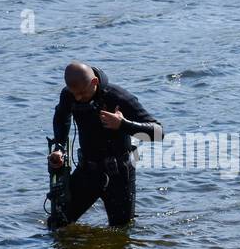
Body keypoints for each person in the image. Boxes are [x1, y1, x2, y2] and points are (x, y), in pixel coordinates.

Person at [48, 62, 163, 229]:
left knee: (121, 231)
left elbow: (158, 132)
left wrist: (123, 124)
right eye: (75, 94)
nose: (78, 98)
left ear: (94, 82)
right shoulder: (69, 95)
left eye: (82, 93)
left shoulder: (119, 98)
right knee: (57, 224)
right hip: (87, 171)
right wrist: (60, 148)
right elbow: (61, 117)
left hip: (119, 173)